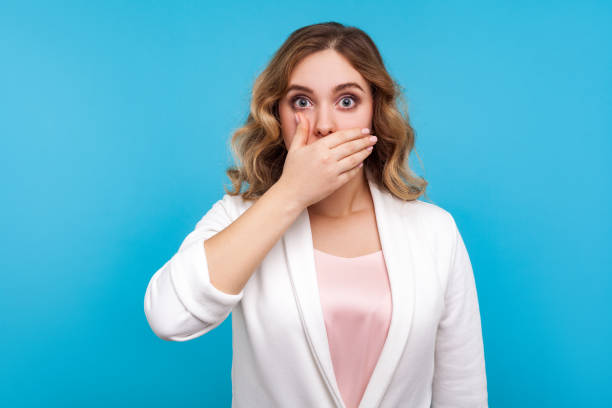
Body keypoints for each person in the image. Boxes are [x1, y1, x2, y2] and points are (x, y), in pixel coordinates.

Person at [144, 22, 488, 408]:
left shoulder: (435, 232)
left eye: (346, 101)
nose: (324, 125)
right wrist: (290, 194)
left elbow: (463, 393)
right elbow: (168, 316)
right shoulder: (239, 217)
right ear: (278, 114)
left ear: (375, 111)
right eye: (302, 102)